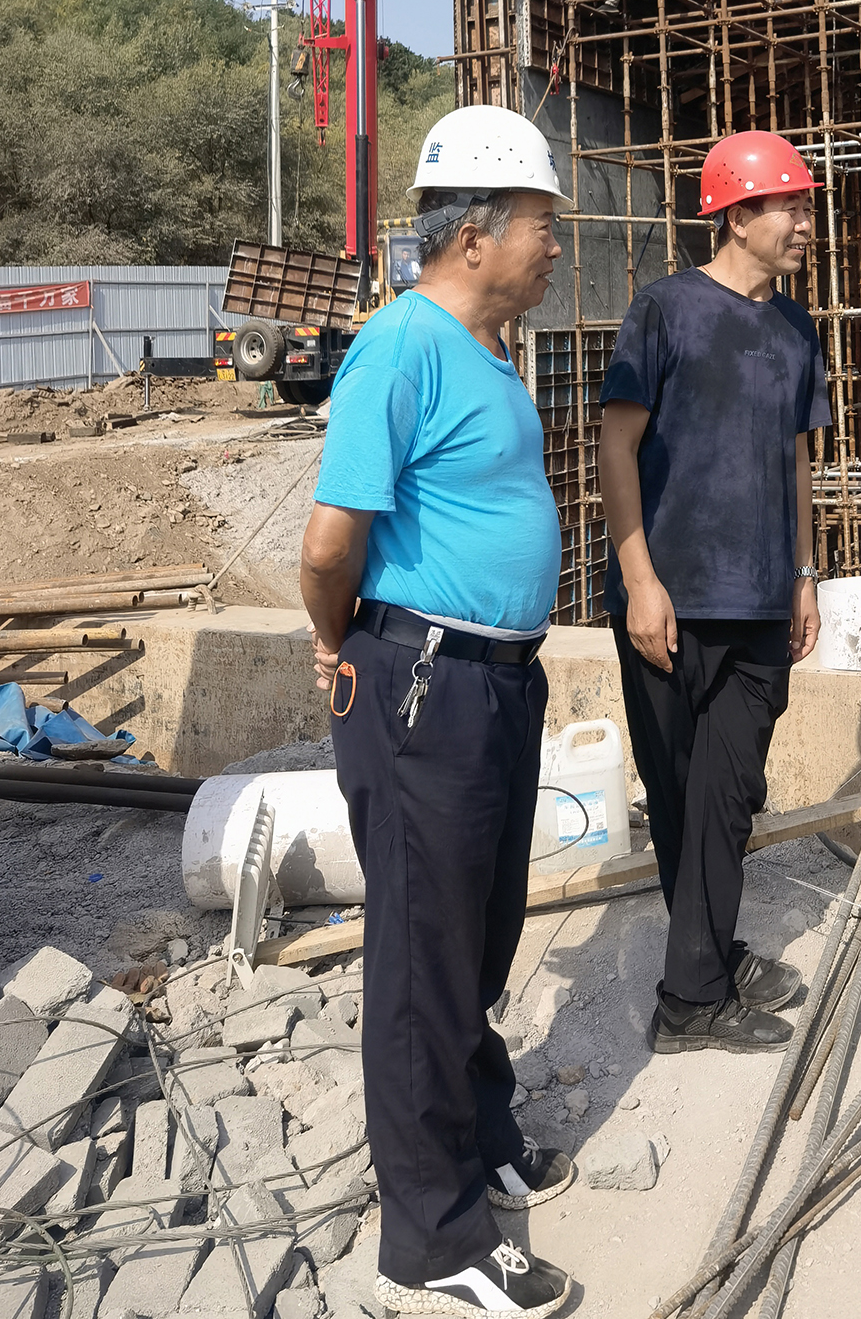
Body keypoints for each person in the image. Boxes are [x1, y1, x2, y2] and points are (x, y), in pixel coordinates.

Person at [300, 104, 576, 1318]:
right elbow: (330, 543)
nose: (554, 246)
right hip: (422, 684)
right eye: (540, 225)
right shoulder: (400, 346)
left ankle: (484, 1133)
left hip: (495, 681)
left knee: (480, 931)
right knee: (423, 958)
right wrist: (334, 644)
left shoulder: (486, 348)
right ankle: (434, 1235)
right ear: (473, 235)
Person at [599, 128, 831, 1054]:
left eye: (806, 207)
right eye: (790, 206)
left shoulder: (797, 328)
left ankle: (695, 982)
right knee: (680, 796)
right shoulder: (664, 310)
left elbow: (798, 459)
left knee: (728, 796)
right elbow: (617, 446)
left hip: (761, 599)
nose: (805, 223)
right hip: (668, 603)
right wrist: (640, 582)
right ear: (736, 215)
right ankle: (700, 980)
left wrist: (804, 574)